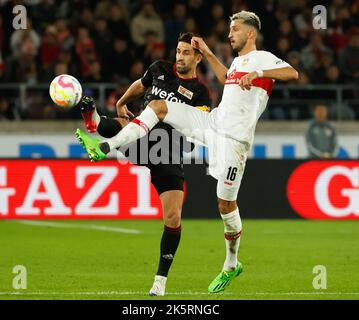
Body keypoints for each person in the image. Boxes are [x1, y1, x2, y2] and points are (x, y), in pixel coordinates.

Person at [76, 11, 298, 293]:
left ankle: (231, 264)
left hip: (234, 142)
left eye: (235, 29)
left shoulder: (263, 58)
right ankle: (106, 145)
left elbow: (293, 73)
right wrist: (206, 50)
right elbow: (226, 77)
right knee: (157, 106)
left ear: (250, 33)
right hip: (212, 123)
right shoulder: (238, 62)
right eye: (230, 29)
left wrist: (259, 73)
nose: (230, 34)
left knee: (225, 205)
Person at [77, 32, 211, 296]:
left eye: (186, 53)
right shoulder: (159, 68)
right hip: (141, 137)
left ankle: (160, 281)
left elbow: (200, 126)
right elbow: (141, 84)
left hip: (168, 152)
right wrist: (122, 101)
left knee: (173, 217)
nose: (179, 57)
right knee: (128, 126)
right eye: (178, 51)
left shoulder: (200, 93)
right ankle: (95, 120)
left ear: (198, 57)